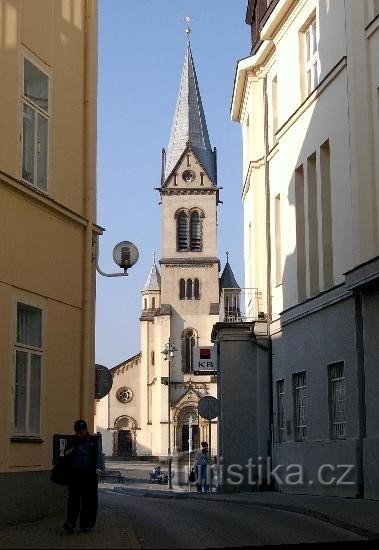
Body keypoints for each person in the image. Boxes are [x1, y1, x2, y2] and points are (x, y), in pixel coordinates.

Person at [62, 419, 104, 534]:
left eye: (81, 431)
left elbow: (98, 454)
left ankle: (86, 524)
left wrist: (98, 468)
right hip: (75, 474)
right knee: (73, 500)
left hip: (90, 474)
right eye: (78, 431)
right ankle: (70, 522)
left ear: (86, 430)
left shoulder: (94, 440)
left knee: (89, 500)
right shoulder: (73, 440)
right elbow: (65, 454)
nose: (79, 433)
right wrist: (68, 453)